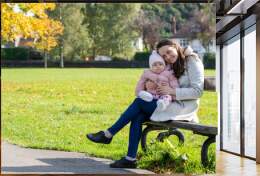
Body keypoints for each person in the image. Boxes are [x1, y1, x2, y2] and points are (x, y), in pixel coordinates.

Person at [86, 39, 204, 168]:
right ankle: (130, 158)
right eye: (164, 56)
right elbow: (162, 78)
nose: (168, 57)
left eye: (169, 52)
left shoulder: (192, 60)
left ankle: (108, 134)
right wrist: (151, 84)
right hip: (167, 103)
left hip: (183, 107)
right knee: (137, 115)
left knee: (139, 102)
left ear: (175, 47)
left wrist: (171, 91)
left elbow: (197, 91)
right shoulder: (171, 64)